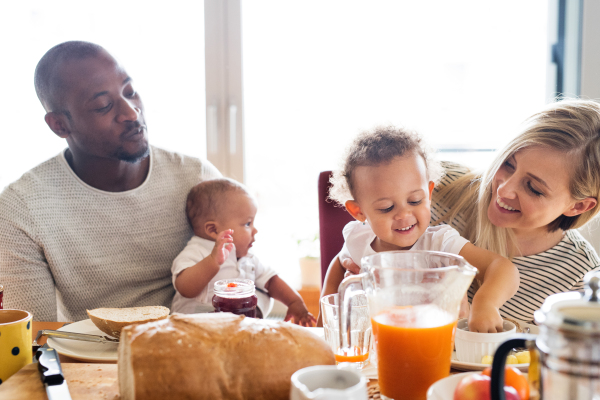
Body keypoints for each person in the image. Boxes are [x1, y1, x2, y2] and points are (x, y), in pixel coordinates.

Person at [0, 41, 221, 321]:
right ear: (60, 125)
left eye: (130, 92)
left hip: (195, 346)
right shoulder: (22, 208)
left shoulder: (197, 178)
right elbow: (33, 336)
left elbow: (241, 279)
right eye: (104, 106)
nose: (131, 113)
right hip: (87, 359)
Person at [320, 126, 520, 332]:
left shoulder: (441, 244)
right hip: (374, 352)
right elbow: (339, 263)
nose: (404, 215)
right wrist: (324, 317)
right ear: (358, 211)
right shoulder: (358, 239)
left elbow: (504, 269)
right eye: (386, 208)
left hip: (431, 348)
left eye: (415, 201)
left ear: (429, 193)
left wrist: (485, 304)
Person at [429, 99, 600, 323]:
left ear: (577, 206)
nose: (503, 189)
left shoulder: (580, 273)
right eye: (509, 163)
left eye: (533, 188)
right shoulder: (434, 187)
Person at [171, 178, 316, 326]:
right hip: (195, 327)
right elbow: (185, 288)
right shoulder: (196, 251)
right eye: (247, 223)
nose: (255, 230)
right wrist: (212, 261)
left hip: (237, 327)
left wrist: (294, 302)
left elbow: (272, 282)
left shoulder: (248, 258)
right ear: (213, 230)